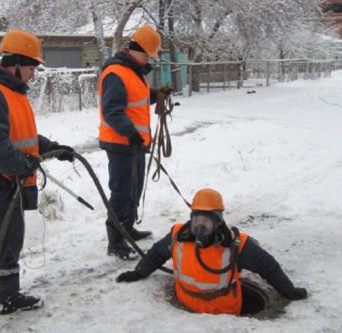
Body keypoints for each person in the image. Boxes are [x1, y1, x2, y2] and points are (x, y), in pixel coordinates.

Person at [0, 29, 75, 332]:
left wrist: (51, 147)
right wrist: (23, 163)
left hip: (9, 181)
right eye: (32, 67)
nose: (34, 75)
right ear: (17, 64)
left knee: (12, 240)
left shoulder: (13, 92)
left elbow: (19, 137)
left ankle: (9, 297)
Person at [116, 188, 308, 315]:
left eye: (206, 221)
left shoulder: (236, 245)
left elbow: (268, 267)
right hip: (185, 306)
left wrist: (288, 291)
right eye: (196, 219)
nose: (200, 226)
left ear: (218, 222)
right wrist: (139, 272)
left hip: (223, 314)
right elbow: (156, 254)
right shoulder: (178, 235)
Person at [99, 25, 170, 260]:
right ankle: (116, 241)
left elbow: (136, 98)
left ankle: (127, 228)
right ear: (136, 50)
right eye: (147, 55)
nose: (148, 60)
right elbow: (112, 110)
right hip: (121, 144)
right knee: (121, 191)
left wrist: (156, 94)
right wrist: (130, 133)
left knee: (134, 188)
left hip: (135, 143)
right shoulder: (116, 73)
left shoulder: (133, 72)